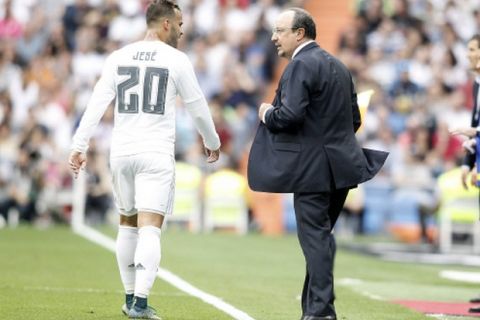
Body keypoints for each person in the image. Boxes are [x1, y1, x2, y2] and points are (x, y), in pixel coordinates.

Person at [69, 1, 221, 319]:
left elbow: (98, 101)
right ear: (165, 24)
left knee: (127, 224)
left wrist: (79, 144)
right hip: (154, 153)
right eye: (179, 23)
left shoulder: (118, 56)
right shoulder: (177, 60)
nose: (182, 29)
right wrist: (212, 142)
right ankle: (139, 303)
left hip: (121, 152)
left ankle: (128, 297)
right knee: (150, 228)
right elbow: (197, 105)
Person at [247, 8, 388, 320]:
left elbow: (290, 115)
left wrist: (267, 113)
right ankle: (315, 309)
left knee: (315, 239)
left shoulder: (300, 65)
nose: (273, 37)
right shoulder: (339, 65)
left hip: (313, 171)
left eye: (280, 31)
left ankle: (321, 312)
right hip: (342, 168)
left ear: (300, 33)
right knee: (322, 238)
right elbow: (354, 120)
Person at [449, 33, 480, 313]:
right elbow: (476, 123)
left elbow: (476, 127)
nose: (468, 54)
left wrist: (472, 133)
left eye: (472, 49)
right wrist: (468, 164)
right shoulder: (476, 84)